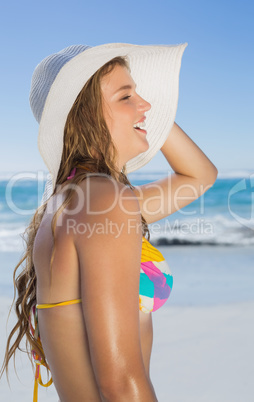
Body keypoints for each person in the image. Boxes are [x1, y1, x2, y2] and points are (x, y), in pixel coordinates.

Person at [1, 42, 217, 401]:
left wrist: (149, 114)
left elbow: (199, 176)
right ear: (86, 115)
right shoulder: (103, 200)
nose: (145, 104)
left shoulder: (79, 199)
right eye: (125, 96)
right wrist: (143, 116)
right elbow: (120, 383)